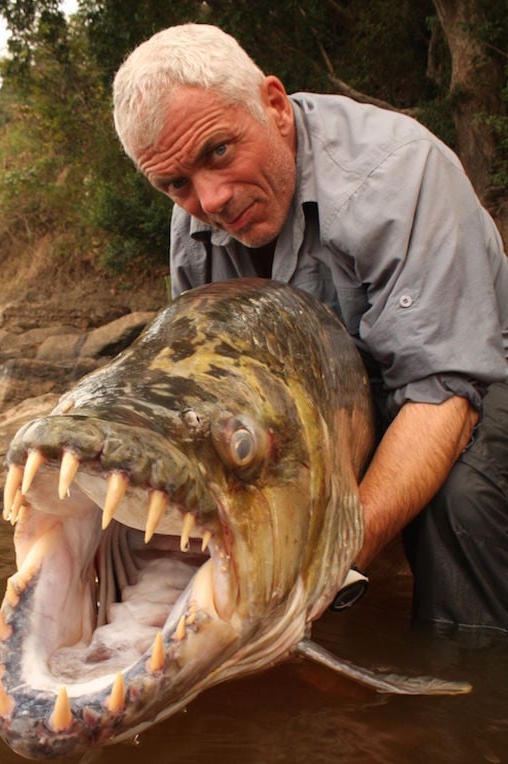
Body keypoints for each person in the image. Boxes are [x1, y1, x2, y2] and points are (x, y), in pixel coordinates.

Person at [112, 23, 508, 631]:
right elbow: (206, 392)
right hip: (336, 399)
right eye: (176, 183)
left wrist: (326, 566)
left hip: (468, 372)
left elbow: (442, 393)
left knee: (461, 504)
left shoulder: (401, 173)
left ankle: (467, 695)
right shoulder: (191, 226)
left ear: (273, 106)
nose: (210, 200)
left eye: (218, 151)